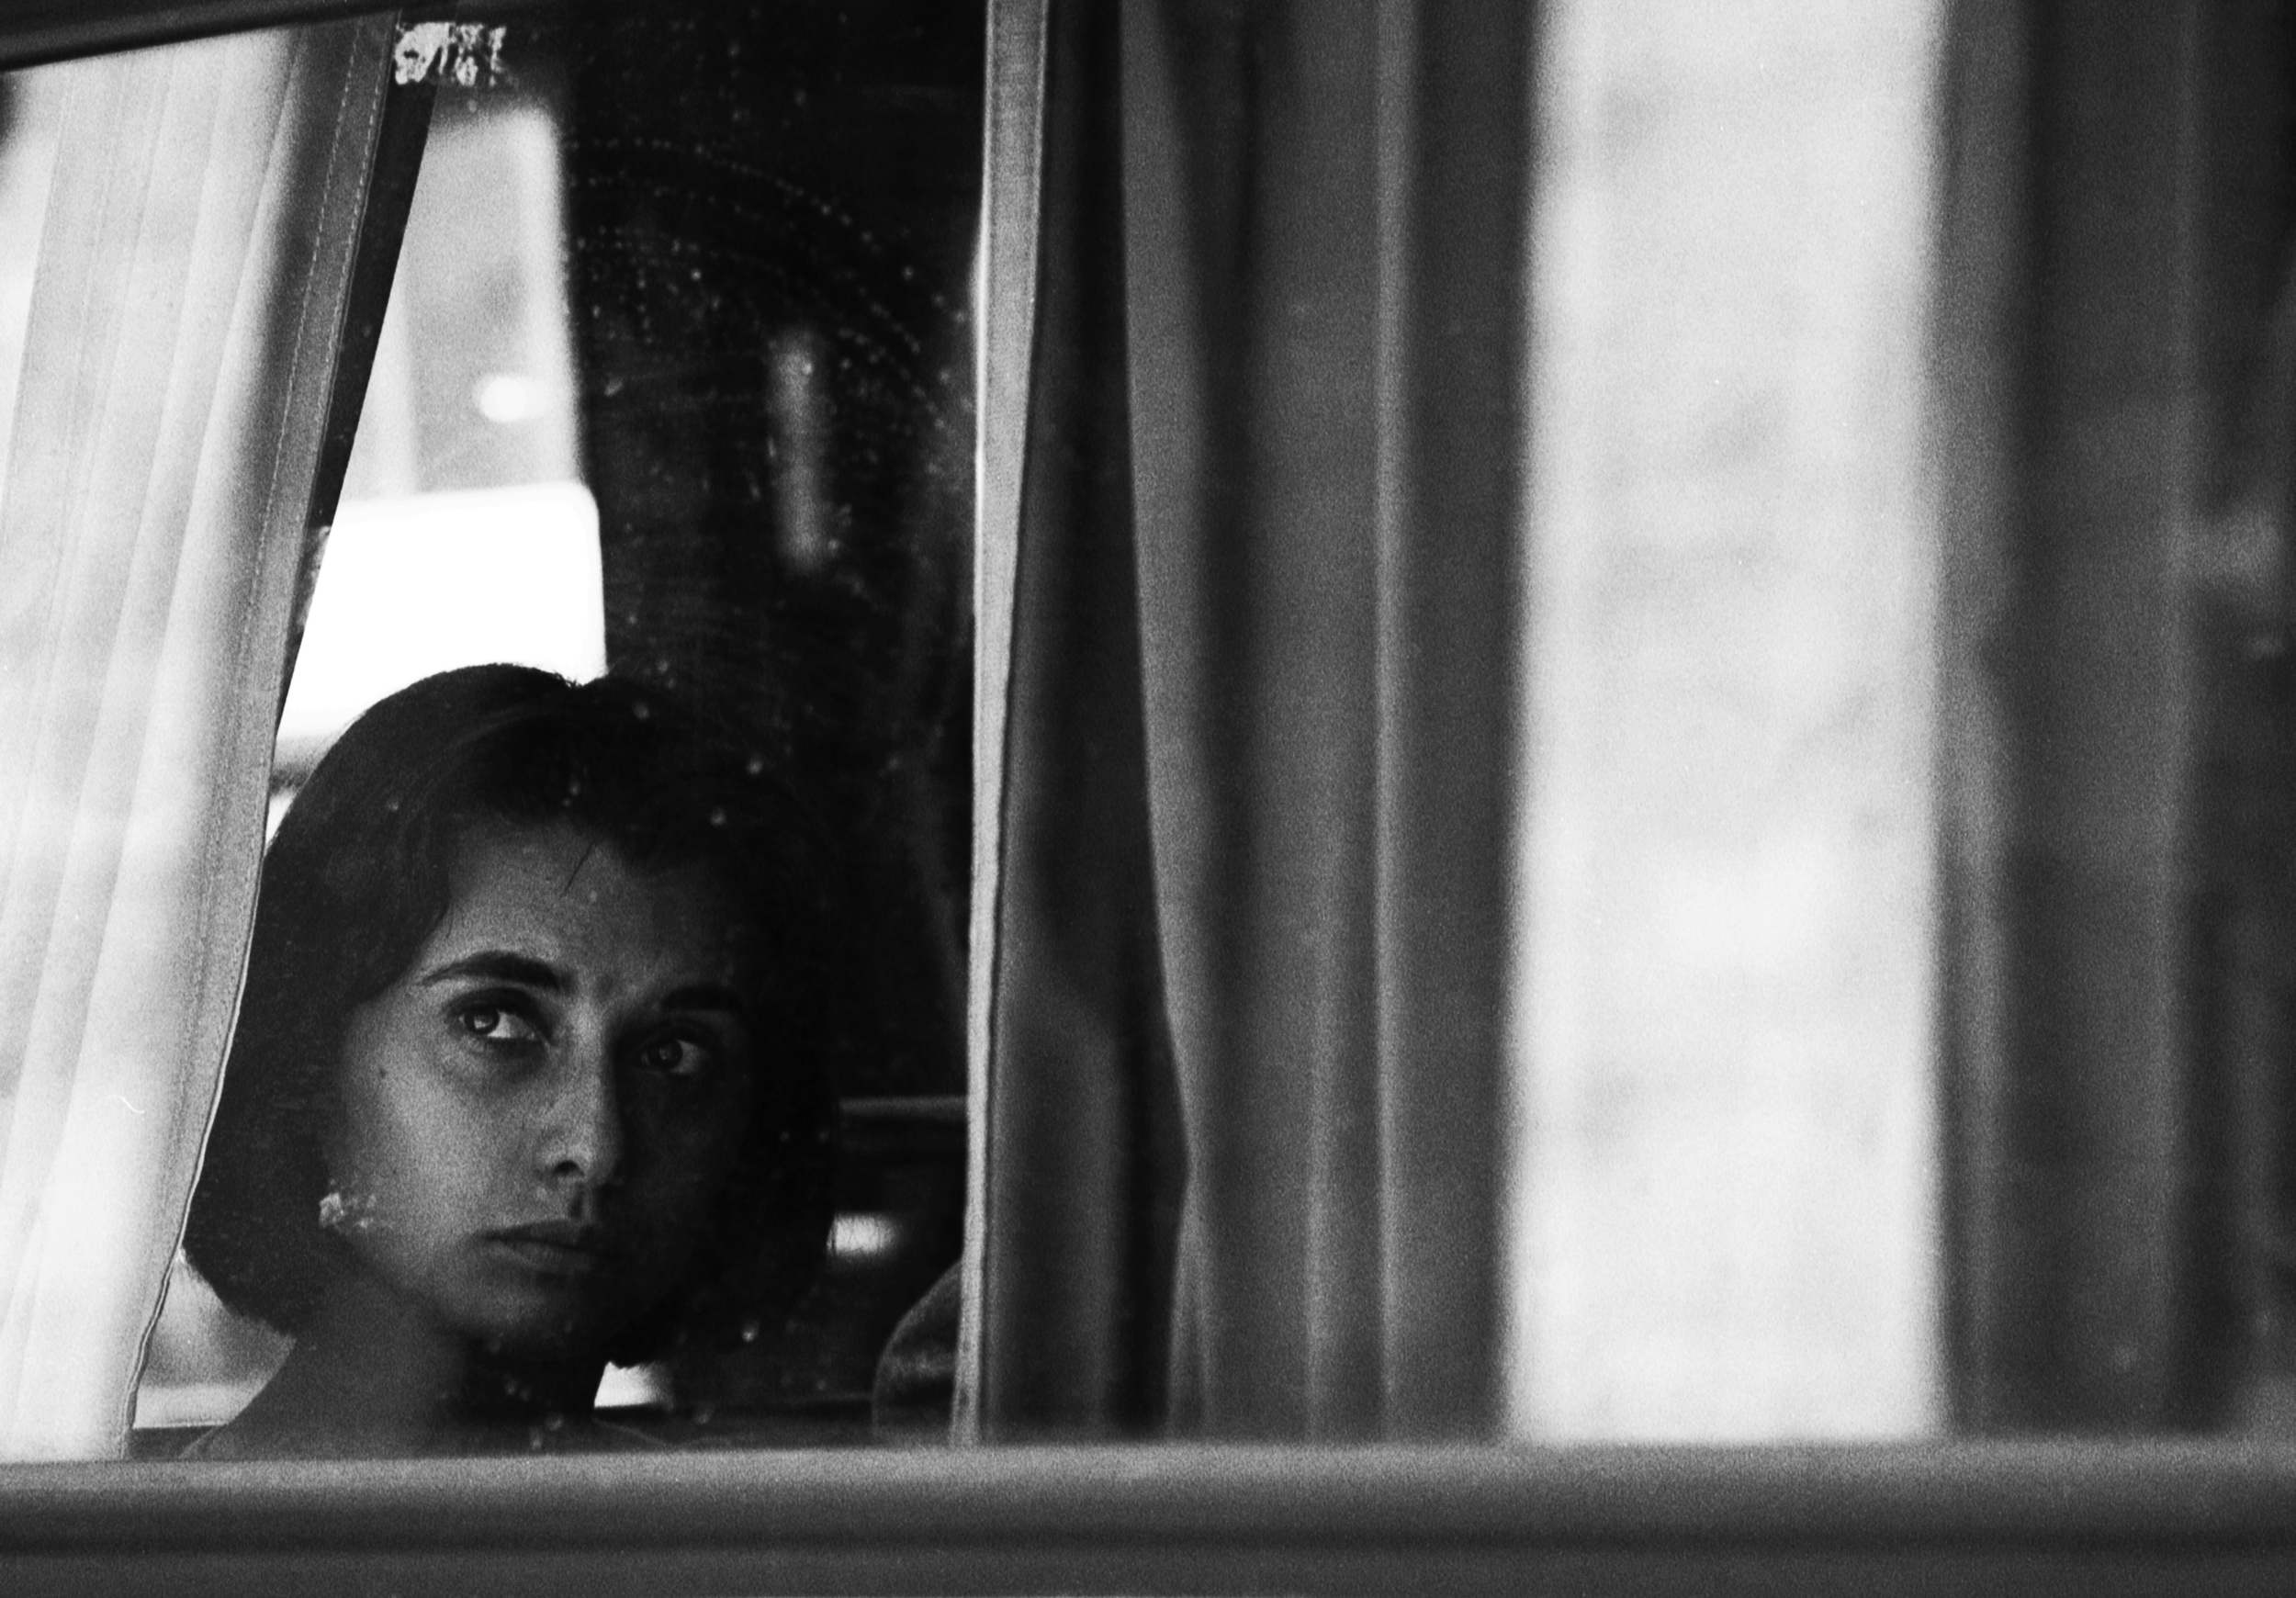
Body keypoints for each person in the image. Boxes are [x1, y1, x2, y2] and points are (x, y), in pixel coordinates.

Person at [180, 664, 838, 1458]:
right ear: (309, 1060)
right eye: (491, 1023)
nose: (596, 1147)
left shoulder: (752, 1536)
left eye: (670, 1055)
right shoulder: (117, 1537)